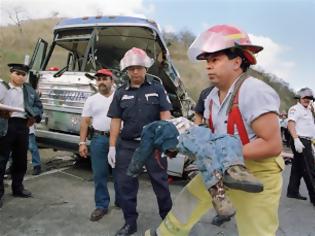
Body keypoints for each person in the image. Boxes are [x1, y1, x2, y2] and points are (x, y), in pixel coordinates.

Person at [145, 24, 284, 236]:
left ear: (237, 62)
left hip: (258, 173)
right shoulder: (210, 98)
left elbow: (272, 144)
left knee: (257, 229)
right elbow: (209, 136)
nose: (208, 66)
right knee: (189, 199)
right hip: (218, 167)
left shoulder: (254, 91)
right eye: (207, 61)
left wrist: (220, 155)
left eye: (215, 60)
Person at [107, 47, 173, 236]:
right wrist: (112, 146)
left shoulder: (157, 89)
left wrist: (166, 143)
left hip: (153, 146)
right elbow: (115, 121)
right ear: (126, 70)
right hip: (128, 146)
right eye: (131, 68)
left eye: (138, 67)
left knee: (161, 184)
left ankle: (169, 221)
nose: (135, 71)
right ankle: (130, 223)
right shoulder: (120, 93)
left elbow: (165, 116)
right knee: (125, 185)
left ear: (146, 68)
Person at [79, 68, 120, 221]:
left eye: (105, 79)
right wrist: (82, 142)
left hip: (119, 140)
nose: (101, 82)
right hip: (99, 139)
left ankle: (122, 201)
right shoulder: (91, 100)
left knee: (120, 173)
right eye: (99, 79)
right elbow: (85, 121)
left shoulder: (119, 97)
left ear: (112, 81)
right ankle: (101, 205)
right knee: (99, 174)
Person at [0, 63, 43, 208]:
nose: (20, 77)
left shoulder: (29, 90)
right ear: (11, 74)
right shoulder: (3, 88)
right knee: (1, 160)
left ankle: (17, 188)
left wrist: (34, 116)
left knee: (20, 160)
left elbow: (38, 106)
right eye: (17, 74)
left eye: (23, 74)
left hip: (23, 126)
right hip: (5, 125)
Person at [286, 87, 315, 206]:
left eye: (309, 98)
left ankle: (292, 191)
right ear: (300, 97)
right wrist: (296, 139)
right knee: (310, 169)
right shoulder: (295, 109)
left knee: (298, 167)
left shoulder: (308, 110)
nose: (307, 100)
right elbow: (290, 124)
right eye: (305, 98)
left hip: (307, 141)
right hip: (300, 140)